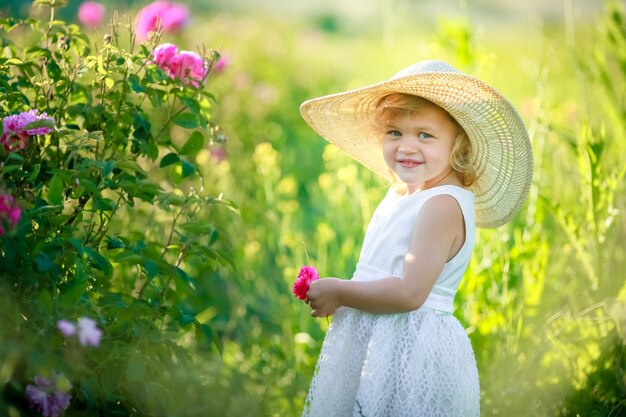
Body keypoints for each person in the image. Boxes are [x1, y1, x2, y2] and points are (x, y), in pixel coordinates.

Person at [299, 60, 534, 417]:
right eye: (395, 133)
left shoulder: (441, 205)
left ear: (459, 145)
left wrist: (340, 291)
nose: (407, 146)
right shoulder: (404, 193)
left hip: (413, 352)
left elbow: (410, 293)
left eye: (425, 135)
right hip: (381, 342)